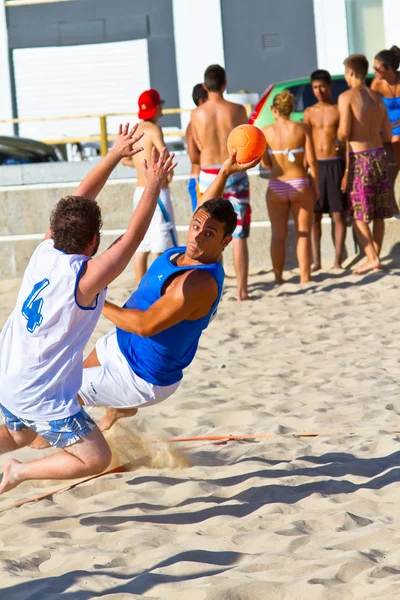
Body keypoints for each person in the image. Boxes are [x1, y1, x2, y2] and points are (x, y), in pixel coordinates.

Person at [0, 125, 177, 494]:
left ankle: (15, 458)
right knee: (94, 457)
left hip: (7, 373)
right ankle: (18, 473)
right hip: (40, 392)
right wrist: (153, 183)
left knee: (18, 435)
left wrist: (114, 154)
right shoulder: (85, 278)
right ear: (94, 241)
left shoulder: (45, 248)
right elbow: (133, 236)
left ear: (54, 228)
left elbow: (80, 196)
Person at [77, 151, 260, 433]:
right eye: (196, 226)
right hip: (121, 343)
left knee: (64, 397)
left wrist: (90, 296)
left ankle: (39, 453)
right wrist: (224, 172)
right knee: (72, 380)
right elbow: (205, 209)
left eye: (209, 233)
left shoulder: (197, 283)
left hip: (143, 375)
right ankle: (116, 410)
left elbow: (145, 325)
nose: (197, 235)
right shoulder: (194, 249)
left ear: (225, 242)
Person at [190, 64, 251, 301]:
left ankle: (217, 286)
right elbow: (246, 142)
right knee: (238, 234)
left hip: (208, 172)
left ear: (205, 86)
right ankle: (242, 290)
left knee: (211, 231)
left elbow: (197, 144)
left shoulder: (197, 114)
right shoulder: (237, 110)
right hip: (233, 170)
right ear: (225, 84)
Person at [338, 54, 393, 274]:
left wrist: (339, 137)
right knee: (379, 212)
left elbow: (344, 132)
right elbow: (388, 134)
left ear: (351, 72)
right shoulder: (377, 97)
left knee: (359, 214)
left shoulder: (347, 97)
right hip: (380, 156)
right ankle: (375, 256)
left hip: (361, 159)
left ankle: (372, 258)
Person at [261, 91, 318, 284]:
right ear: (291, 109)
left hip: (277, 184)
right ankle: (304, 277)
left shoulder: (266, 131)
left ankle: (278, 277)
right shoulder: (302, 128)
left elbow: (266, 164)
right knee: (304, 232)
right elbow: (312, 161)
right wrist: (315, 186)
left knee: (278, 235)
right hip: (300, 183)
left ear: (275, 110)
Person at [122, 89, 178, 285]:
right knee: (160, 242)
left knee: (141, 244)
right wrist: (167, 173)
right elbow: (164, 154)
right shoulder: (154, 129)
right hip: (157, 192)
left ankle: (140, 285)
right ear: (157, 108)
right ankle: (155, 286)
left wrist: (141, 165)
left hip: (140, 191)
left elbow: (125, 160)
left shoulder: (136, 130)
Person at [304, 69, 347, 270]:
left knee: (338, 214)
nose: (319, 90)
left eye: (322, 86)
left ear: (329, 86)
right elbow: (305, 142)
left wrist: (347, 171)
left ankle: (338, 260)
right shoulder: (309, 112)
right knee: (315, 216)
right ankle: (316, 261)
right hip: (316, 166)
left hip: (335, 163)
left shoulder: (338, 109)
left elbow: (346, 140)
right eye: (315, 87)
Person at [371, 46, 400, 169]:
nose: (374, 72)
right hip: (389, 125)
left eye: (377, 69)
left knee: (395, 139)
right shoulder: (377, 84)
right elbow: (370, 107)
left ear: (389, 69)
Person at [186, 83, 208, 212]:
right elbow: (194, 157)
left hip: (208, 177)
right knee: (203, 223)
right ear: (202, 100)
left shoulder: (207, 120)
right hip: (199, 179)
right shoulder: (193, 123)